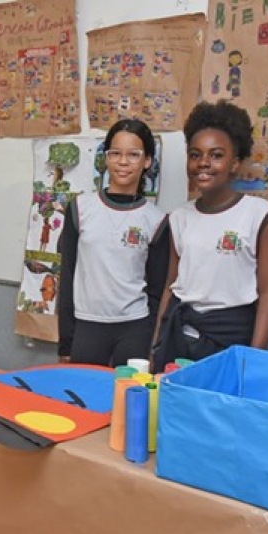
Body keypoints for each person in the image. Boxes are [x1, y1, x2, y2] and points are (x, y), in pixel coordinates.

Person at [151, 100, 268, 373]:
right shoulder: (179, 217)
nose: (203, 163)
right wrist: (155, 348)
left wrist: (253, 359)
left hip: (230, 342)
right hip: (179, 339)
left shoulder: (258, 214)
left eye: (216, 155)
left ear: (235, 163)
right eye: (195, 155)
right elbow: (170, 286)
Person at [57, 119, 168, 367]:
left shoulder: (156, 220)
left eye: (133, 154)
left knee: (127, 391)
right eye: (115, 153)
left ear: (147, 161)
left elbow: (156, 291)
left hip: (134, 329)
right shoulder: (80, 208)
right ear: (106, 158)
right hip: (87, 325)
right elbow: (67, 275)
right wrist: (66, 342)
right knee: (83, 389)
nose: (123, 162)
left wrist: (151, 345)